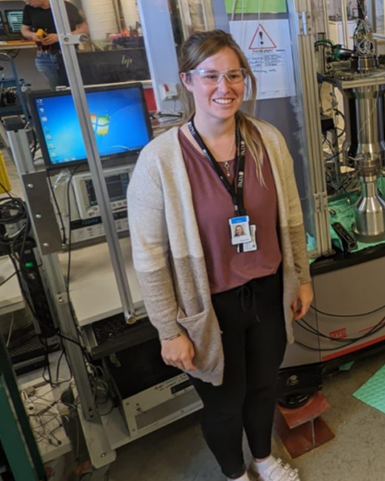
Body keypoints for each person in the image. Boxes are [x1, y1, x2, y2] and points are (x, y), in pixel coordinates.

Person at [128, 30, 313, 481]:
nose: (224, 87)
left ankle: (264, 459)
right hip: (210, 306)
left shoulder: (267, 140)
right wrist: (168, 329)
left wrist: (301, 278)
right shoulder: (160, 161)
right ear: (188, 80)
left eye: (234, 75)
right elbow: (149, 255)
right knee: (224, 401)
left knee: (264, 385)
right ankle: (235, 473)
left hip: (267, 291)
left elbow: (290, 216)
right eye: (211, 76)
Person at [20, 0, 88, 90]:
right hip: (44, 56)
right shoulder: (29, 9)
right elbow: (24, 30)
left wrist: (60, 37)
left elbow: (84, 29)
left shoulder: (65, 7)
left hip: (66, 54)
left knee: (73, 88)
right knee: (55, 90)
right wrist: (32, 35)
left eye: (29, 0)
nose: (27, 3)